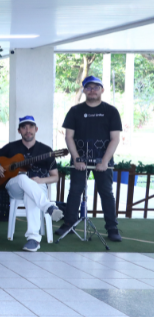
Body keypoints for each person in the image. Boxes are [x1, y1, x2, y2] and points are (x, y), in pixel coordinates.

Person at [59, 76, 123, 242]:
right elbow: (69, 137)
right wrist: (76, 158)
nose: (92, 90)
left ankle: (112, 228)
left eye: (96, 87)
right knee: (75, 191)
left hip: (103, 160)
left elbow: (115, 138)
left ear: (102, 90)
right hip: (80, 159)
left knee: (106, 192)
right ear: (84, 90)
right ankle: (69, 224)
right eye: (89, 87)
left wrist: (105, 161)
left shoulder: (111, 111)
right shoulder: (74, 111)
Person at [0, 116, 62, 252]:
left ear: (36, 129)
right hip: (15, 185)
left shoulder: (45, 150)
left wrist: (41, 180)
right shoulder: (11, 147)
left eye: (31, 127)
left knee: (30, 193)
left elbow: (55, 177)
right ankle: (48, 207)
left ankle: (33, 239)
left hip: (38, 185)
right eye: (24, 127)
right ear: (19, 131)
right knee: (22, 178)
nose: (28, 130)